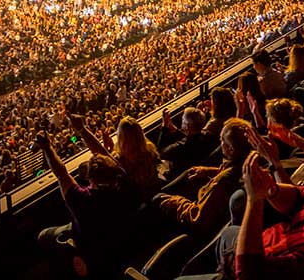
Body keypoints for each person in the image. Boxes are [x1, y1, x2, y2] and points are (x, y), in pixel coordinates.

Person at [35, 132, 140, 278]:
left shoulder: (82, 199)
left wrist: (47, 148)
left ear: (90, 178)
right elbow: (106, 158)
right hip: (122, 243)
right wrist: (82, 129)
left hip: (96, 256)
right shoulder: (124, 182)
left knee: (43, 236)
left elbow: (61, 174)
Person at [153, 118, 253, 236]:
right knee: (191, 174)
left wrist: (176, 201)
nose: (220, 143)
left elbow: (198, 219)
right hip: (205, 200)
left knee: (157, 198)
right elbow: (233, 171)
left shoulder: (222, 182)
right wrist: (210, 171)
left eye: (222, 140)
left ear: (231, 149)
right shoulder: (248, 164)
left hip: (193, 223)